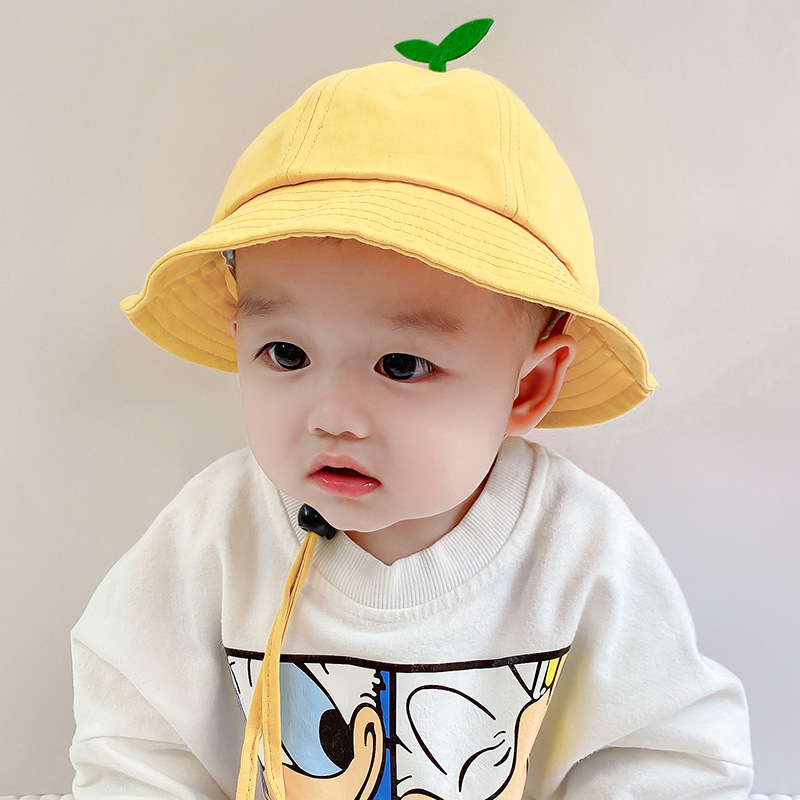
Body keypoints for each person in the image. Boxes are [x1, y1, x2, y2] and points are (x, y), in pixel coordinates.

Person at [70, 56, 753, 800]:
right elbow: (136, 743)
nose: (332, 416)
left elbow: (668, 758)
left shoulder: (577, 547)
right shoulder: (216, 532)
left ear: (527, 386)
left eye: (401, 365)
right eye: (287, 353)